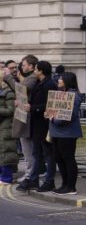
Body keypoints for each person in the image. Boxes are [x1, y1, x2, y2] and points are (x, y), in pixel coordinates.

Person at [17, 60, 58, 193]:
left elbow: (49, 104)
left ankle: (49, 181)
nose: (34, 71)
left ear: (40, 71)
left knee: (48, 154)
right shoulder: (39, 83)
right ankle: (34, 179)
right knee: (36, 153)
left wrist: (32, 107)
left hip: (45, 124)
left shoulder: (50, 84)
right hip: (37, 123)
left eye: (36, 69)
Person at [49, 72, 82, 195]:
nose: (59, 81)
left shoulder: (74, 95)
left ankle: (71, 186)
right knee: (59, 159)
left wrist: (53, 118)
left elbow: (69, 116)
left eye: (61, 79)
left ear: (67, 81)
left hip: (67, 133)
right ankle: (64, 184)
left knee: (68, 159)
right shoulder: (62, 93)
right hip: (57, 133)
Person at [13, 55, 38, 188]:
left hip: (28, 120)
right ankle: (29, 173)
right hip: (23, 117)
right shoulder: (28, 78)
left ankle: (30, 175)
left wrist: (8, 78)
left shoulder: (32, 78)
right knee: (26, 150)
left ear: (31, 66)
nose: (22, 67)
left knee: (29, 150)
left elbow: (21, 90)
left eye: (24, 65)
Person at [0, 73, 17, 184]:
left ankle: (6, 177)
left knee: (6, 151)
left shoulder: (8, 93)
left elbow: (11, 111)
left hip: (6, 126)